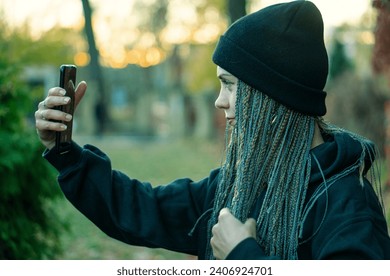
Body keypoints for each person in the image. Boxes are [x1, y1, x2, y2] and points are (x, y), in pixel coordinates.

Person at [35, 1, 390, 259]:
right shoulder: (241, 184)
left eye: (232, 85)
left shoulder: (347, 208)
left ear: (273, 96)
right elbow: (143, 209)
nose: (220, 102)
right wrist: (66, 151)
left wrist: (242, 257)